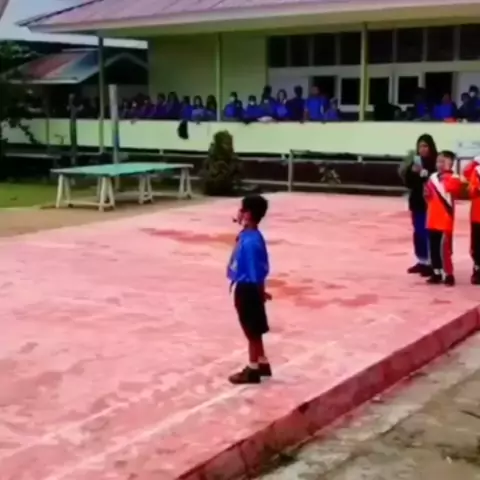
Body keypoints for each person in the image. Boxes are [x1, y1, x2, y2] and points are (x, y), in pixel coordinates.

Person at [227, 195, 272, 384]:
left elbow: (256, 273)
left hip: (248, 289)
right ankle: (262, 362)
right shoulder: (249, 234)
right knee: (254, 329)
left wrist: (259, 292)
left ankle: (253, 370)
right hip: (248, 287)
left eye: (242, 210)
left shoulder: (251, 242)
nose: (239, 212)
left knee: (251, 331)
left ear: (249, 214)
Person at [400, 134, 437, 276]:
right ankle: (422, 261)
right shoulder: (415, 163)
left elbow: (436, 180)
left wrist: (424, 173)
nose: (423, 149)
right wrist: (411, 172)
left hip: (431, 204)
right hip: (417, 203)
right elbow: (408, 183)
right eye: (420, 146)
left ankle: (431, 262)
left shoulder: (435, 162)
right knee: (418, 233)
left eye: (425, 146)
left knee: (427, 233)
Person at [424, 151, 462, 286]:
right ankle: (436, 272)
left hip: (446, 219)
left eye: (443, 161)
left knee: (444, 249)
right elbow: (427, 194)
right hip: (432, 218)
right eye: (438, 161)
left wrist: (446, 175)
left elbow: (452, 189)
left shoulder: (454, 178)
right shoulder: (432, 177)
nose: (439, 164)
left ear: (450, 163)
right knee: (433, 248)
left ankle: (449, 274)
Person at [464, 156, 480, 284]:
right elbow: (466, 173)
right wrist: (475, 161)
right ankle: (477, 269)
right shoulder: (477, 169)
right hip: (477, 214)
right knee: (477, 245)